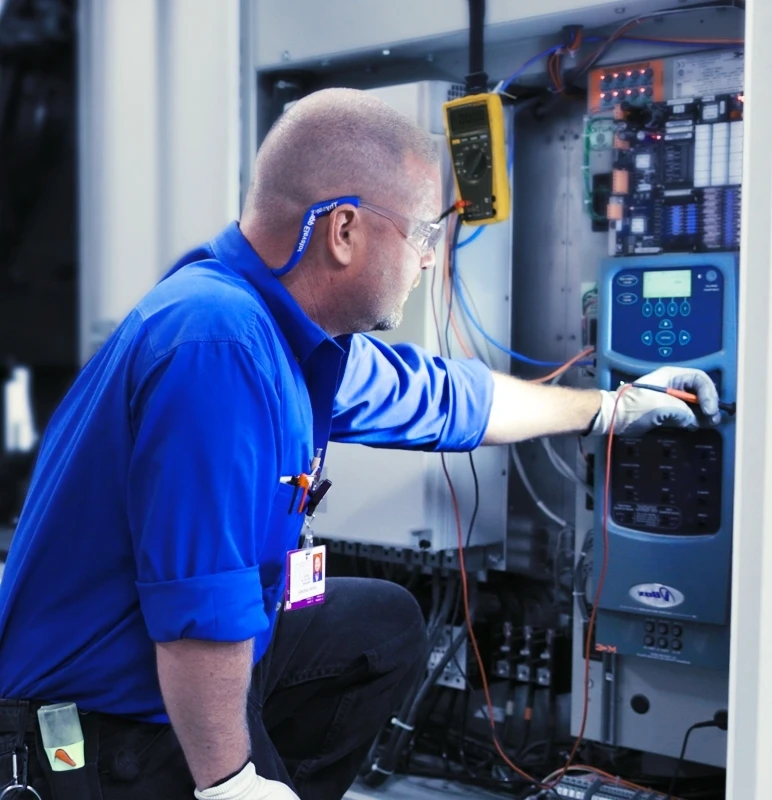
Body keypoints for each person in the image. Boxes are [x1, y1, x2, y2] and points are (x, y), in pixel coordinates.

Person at [0, 87, 720, 800]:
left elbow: (446, 399)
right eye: (424, 236)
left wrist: (614, 407)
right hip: (95, 729)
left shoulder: (283, 334)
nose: (430, 262)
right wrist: (230, 785)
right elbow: (198, 614)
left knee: (377, 624)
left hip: (180, 671)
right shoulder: (216, 342)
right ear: (343, 230)